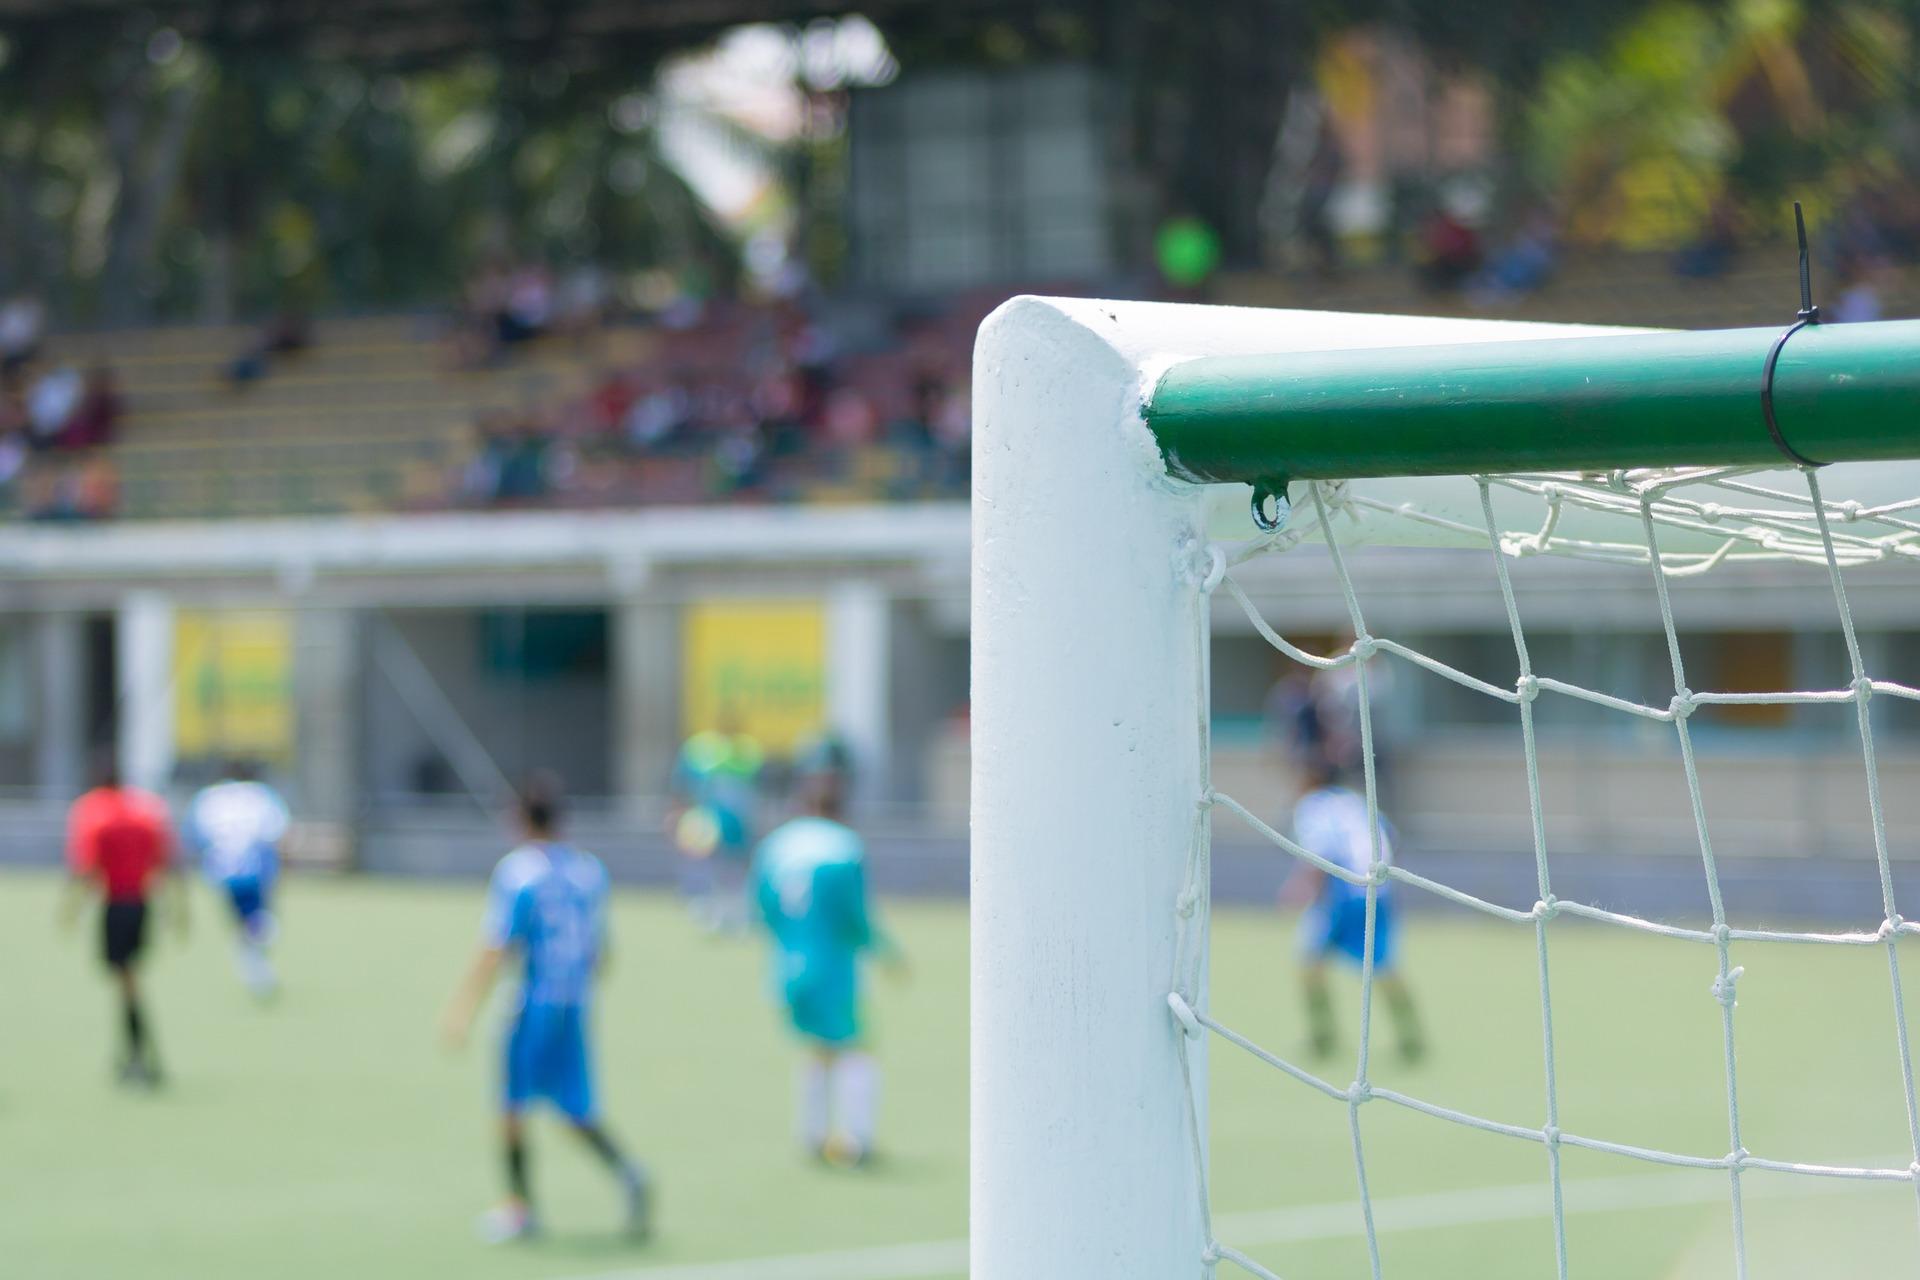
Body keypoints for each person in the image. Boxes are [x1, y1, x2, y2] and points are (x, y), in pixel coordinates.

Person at [440, 776, 651, 1244]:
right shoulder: (587, 870)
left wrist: (462, 1009)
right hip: (574, 1004)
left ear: (520, 820)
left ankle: (520, 1209)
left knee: (512, 1107)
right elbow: (600, 952)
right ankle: (629, 1172)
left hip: (529, 1005)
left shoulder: (519, 872)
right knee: (576, 1107)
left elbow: (498, 945)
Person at [751, 738, 899, 1165]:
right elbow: (857, 918)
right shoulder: (844, 847)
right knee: (855, 1048)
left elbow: (761, 908)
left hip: (787, 966)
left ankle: (813, 1134)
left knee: (817, 1048)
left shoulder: (776, 845)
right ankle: (857, 1139)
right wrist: (889, 953)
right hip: (832, 966)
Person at [1280, 752, 1423, 1063]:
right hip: (1377, 890)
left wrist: (1301, 889)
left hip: (1341, 892)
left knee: (1308, 961)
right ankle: (1411, 1036)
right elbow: (1390, 840)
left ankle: (1323, 1037)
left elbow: (1322, 853)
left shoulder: (1312, 806)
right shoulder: (1356, 801)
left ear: (1311, 779)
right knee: (1382, 964)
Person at [61, 758, 184, 1087]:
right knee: (126, 979)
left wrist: (71, 908)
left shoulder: (94, 813)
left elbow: (87, 867)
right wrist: (177, 908)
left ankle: (141, 1056)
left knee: (127, 981)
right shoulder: (144, 811)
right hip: (140, 902)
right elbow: (165, 860)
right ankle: (131, 1054)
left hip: (117, 904)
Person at [187, 760, 290, 1000]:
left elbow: (195, 836)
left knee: (243, 924)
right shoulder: (261, 795)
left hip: (221, 872)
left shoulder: (208, 798)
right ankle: (256, 960)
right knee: (261, 923)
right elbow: (278, 832)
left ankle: (254, 963)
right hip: (257, 870)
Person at [668, 718, 764, 932]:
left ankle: (737, 912)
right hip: (709, 822)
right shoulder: (702, 751)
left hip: (736, 825)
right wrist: (678, 810)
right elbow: (684, 784)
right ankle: (708, 908)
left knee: (736, 867)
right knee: (706, 865)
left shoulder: (745, 752)